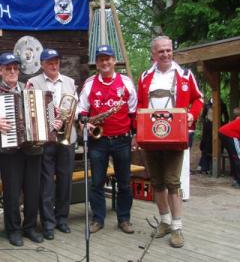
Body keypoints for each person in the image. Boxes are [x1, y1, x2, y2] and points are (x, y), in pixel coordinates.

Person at [135, 36, 203, 248]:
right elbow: (139, 105)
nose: (165, 54)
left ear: (172, 51)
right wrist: (138, 133)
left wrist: (192, 115)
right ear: (153, 54)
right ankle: (164, 221)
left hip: (175, 137)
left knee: (172, 182)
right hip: (150, 138)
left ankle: (177, 227)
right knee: (156, 182)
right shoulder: (145, 76)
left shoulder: (184, 75)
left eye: (168, 50)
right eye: (160, 51)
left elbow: (198, 99)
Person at [0, 52, 54, 246]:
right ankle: (13, 229)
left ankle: (30, 227)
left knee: (33, 190)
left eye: (15, 68)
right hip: (9, 151)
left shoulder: (30, 89)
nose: (12, 71)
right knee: (12, 192)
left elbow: (46, 111)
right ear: (0, 70)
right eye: (8, 68)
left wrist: (51, 121)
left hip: (33, 148)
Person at [78, 44, 137, 235]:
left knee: (125, 182)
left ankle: (124, 218)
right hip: (98, 141)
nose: (105, 62)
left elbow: (134, 111)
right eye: (101, 59)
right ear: (97, 63)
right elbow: (82, 110)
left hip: (122, 139)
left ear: (114, 61)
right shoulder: (89, 84)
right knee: (96, 182)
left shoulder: (126, 82)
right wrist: (86, 123)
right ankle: (98, 218)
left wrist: (135, 135)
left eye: (108, 58)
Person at [26, 48, 76, 240]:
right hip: (46, 139)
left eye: (56, 61)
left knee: (65, 181)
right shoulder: (33, 83)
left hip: (67, 137)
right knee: (46, 182)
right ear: (42, 64)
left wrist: (67, 118)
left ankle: (62, 219)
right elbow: (30, 110)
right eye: (49, 62)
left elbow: (76, 108)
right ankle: (48, 223)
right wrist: (49, 122)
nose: (54, 65)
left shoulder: (70, 83)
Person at [219, 107, 240, 189]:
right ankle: (238, 181)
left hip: (224, 133)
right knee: (237, 157)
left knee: (234, 156)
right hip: (229, 134)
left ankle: (236, 178)